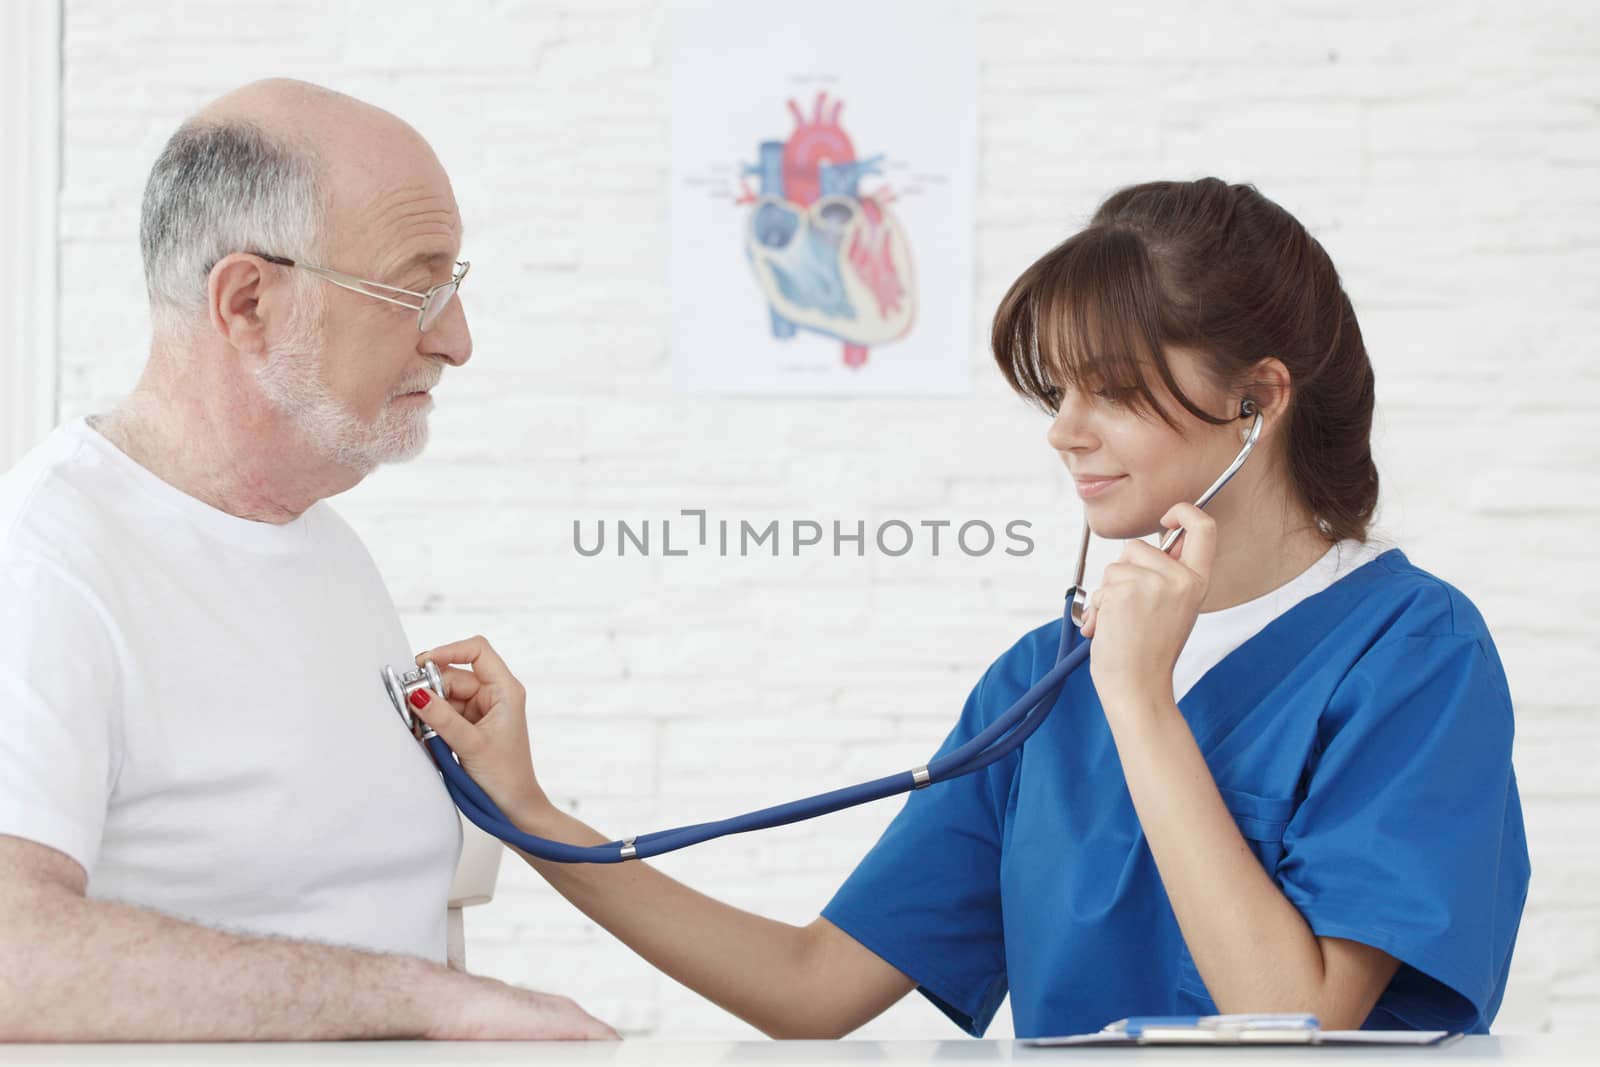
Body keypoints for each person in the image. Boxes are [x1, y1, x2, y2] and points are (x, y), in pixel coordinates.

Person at [407, 179, 1530, 1039]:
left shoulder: (1411, 654)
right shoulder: (1040, 679)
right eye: (1056, 390)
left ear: (1258, 398)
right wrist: (530, 810)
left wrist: (1139, 701)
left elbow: (1298, 1026)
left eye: (1109, 387)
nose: (1063, 430)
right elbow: (814, 987)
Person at [0, 79, 612, 1042]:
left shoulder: (321, 544)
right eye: (417, 288)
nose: (455, 339)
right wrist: (429, 1002)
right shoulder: (47, 562)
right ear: (247, 302)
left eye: (453, 288)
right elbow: (12, 960)